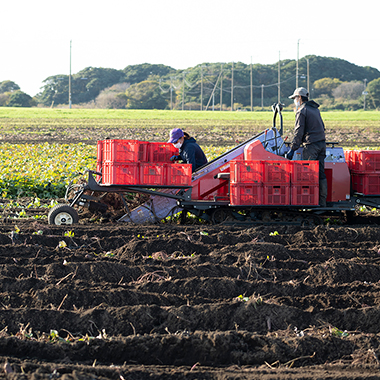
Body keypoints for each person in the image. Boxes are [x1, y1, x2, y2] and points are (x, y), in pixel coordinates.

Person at [286, 87, 328, 207]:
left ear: (299, 97)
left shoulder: (302, 110)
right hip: (321, 144)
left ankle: (309, 202)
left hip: (311, 146)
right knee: (320, 173)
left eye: (295, 98)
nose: (294, 101)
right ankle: (322, 202)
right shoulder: (315, 110)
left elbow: (299, 132)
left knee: (308, 174)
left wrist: (292, 149)